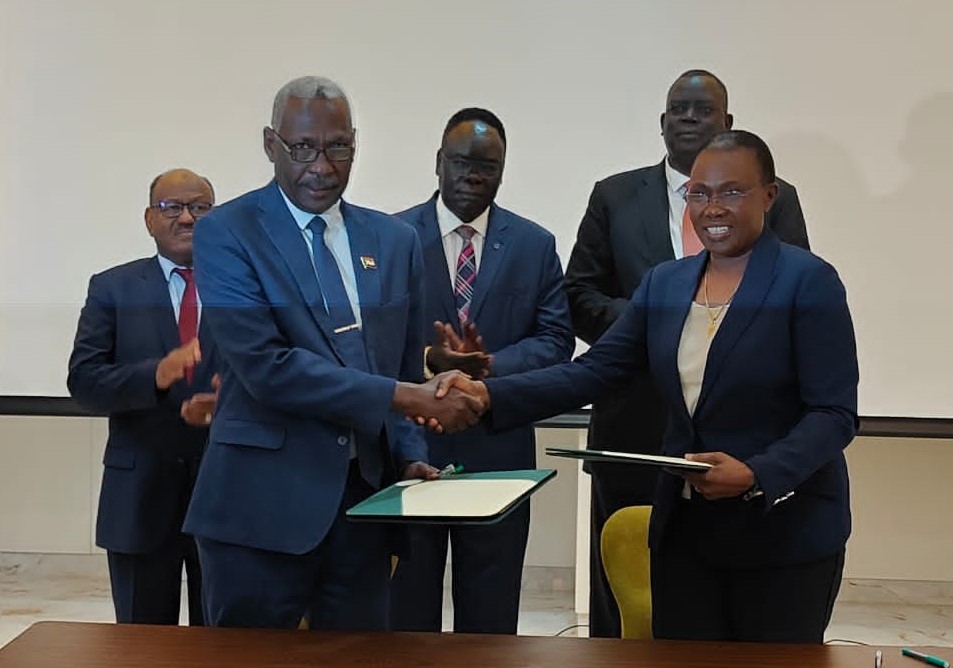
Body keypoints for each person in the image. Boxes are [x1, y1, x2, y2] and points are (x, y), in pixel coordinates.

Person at [421, 130, 858, 643]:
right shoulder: (666, 284)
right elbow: (594, 371)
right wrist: (488, 394)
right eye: (699, 193)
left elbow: (833, 414)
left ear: (769, 195)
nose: (713, 207)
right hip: (687, 537)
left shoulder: (808, 282)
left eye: (732, 192)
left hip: (783, 534)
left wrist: (757, 474)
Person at [182, 76, 481, 630]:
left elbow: (400, 364)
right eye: (302, 148)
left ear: (354, 145)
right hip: (258, 514)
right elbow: (269, 369)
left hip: (363, 512)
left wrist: (408, 454)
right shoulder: (227, 232)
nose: (321, 166)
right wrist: (406, 396)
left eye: (337, 147)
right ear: (271, 144)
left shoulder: (394, 241)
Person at [563, 69, 811, 637]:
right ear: (661, 122)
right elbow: (577, 296)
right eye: (679, 109)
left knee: (715, 613)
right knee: (619, 597)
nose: (690, 119)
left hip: (738, 446)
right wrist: (657, 325)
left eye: (704, 110)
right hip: (631, 433)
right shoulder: (614, 195)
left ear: (728, 123)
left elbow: (788, 299)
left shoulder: (775, 198)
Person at [389, 108, 574, 634]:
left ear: (503, 170)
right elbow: (374, 341)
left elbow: (556, 340)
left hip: (498, 448)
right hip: (412, 448)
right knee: (406, 614)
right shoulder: (392, 236)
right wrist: (431, 362)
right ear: (438, 162)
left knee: (491, 621)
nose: (472, 175)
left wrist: (489, 367)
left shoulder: (534, 244)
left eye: (487, 166)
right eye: (461, 162)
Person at [67, 168, 220, 625]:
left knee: (224, 643)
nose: (187, 218)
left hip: (224, 492)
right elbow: (85, 381)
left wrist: (232, 399)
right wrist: (154, 374)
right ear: (150, 219)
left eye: (200, 207)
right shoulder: (112, 287)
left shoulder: (243, 286)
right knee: (140, 644)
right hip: (138, 496)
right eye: (172, 207)